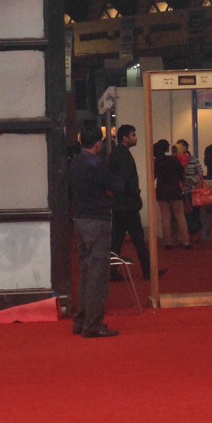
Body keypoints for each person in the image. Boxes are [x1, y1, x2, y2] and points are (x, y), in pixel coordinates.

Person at [67, 121, 123, 338]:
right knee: (97, 275)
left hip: (80, 220)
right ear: (98, 143)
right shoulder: (98, 164)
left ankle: (81, 320)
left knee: (86, 272)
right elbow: (116, 187)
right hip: (98, 220)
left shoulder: (75, 163)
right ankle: (93, 324)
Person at [108, 123, 155, 281]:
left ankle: (112, 271)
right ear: (125, 138)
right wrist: (135, 195)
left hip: (120, 204)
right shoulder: (123, 155)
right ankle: (148, 271)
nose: (136, 138)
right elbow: (126, 181)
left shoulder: (117, 154)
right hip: (127, 204)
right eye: (133, 135)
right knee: (138, 238)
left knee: (117, 239)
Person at [153, 139, 191, 249]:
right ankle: (186, 241)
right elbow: (182, 176)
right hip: (175, 191)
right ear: (166, 148)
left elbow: (153, 176)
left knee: (165, 217)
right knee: (180, 217)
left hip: (162, 191)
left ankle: (168, 242)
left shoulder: (156, 162)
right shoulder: (173, 160)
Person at [176, 138, 205, 240]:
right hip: (180, 190)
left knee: (194, 212)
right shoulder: (175, 160)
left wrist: (190, 181)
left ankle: (195, 232)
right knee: (183, 214)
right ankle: (186, 234)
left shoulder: (194, 160)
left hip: (193, 190)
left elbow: (200, 173)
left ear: (185, 148)